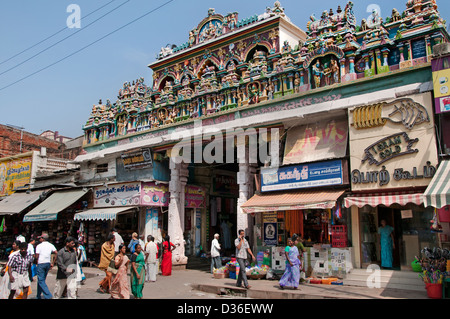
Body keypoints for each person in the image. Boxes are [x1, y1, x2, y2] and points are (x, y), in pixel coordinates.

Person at [35, 233, 57, 299]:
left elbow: (37, 255)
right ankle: (38, 295)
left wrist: (36, 260)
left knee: (41, 280)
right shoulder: (51, 245)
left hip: (41, 263)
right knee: (41, 280)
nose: (39, 239)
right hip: (47, 263)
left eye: (40, 238)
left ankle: (48, 295)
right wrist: (53, 262)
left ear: (43, 239)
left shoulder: (39, 246)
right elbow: (56, 252)